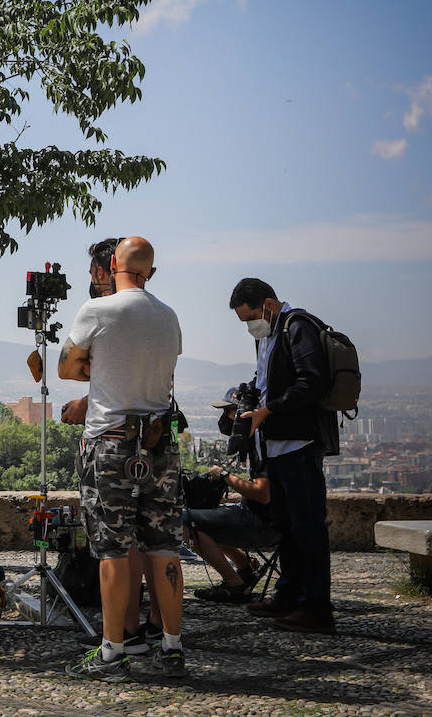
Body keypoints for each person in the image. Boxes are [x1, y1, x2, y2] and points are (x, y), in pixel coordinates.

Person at [59, 237, 186, 681]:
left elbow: (65, 367)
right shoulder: (168, 316)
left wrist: (103, 364)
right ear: (150, 270)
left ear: (112, 264)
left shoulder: (98, 311)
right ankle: (172, 645)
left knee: (113, 550)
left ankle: (113, 649)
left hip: (112, 441)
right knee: (164, 546)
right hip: (160, 441)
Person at [229, 277, 336, 634]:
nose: (250, 326)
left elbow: (312, 382)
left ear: (270, 305)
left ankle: (316, 607)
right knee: (288, 527)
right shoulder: (269, 335)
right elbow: (268, 380)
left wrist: (268, 410)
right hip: (277, 446)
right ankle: (288, 595)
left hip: (299, 445)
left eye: (252, 318)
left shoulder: (297, 327)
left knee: (308, 528)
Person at [187, 388, 279, 602]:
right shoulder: (262, 439)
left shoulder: (261, 444)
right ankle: (245, 568)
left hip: (261, 524)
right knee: (206, 519)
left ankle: (234, 585)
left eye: (229, 411)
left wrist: (225, 475)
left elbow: (262, 494)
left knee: (186, 520)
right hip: (262, 519)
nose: (225, 418)